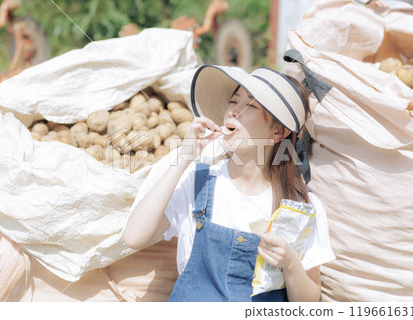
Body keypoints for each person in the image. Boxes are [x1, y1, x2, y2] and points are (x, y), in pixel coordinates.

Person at [123, 65, 335, 302]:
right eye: (233, 102)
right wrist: (184, 157)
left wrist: (290, 263)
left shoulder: (302, 207)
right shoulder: (196, 181)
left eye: (251, 106)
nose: (233, 112)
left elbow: (307, 303)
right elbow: (134, 237)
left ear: (277, 132)